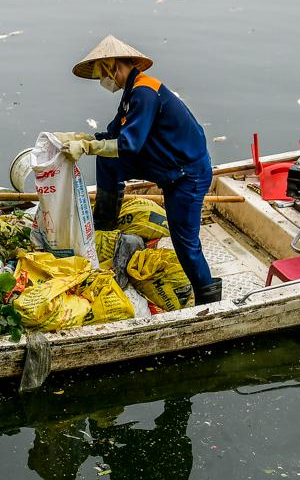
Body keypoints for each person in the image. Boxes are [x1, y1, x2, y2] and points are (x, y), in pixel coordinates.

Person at [56, 35, 221, 304]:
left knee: (185, 243)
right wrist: (81, 138)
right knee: (108, 159)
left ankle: (208, 299)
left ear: (113, 67)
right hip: (166, 164)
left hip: (187, 174)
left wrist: (87, 148)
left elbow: (129, 145)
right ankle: (104, 224)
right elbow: (112, 135)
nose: (102, 80)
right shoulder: (131, 94)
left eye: (102, 73)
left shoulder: (145, 92)